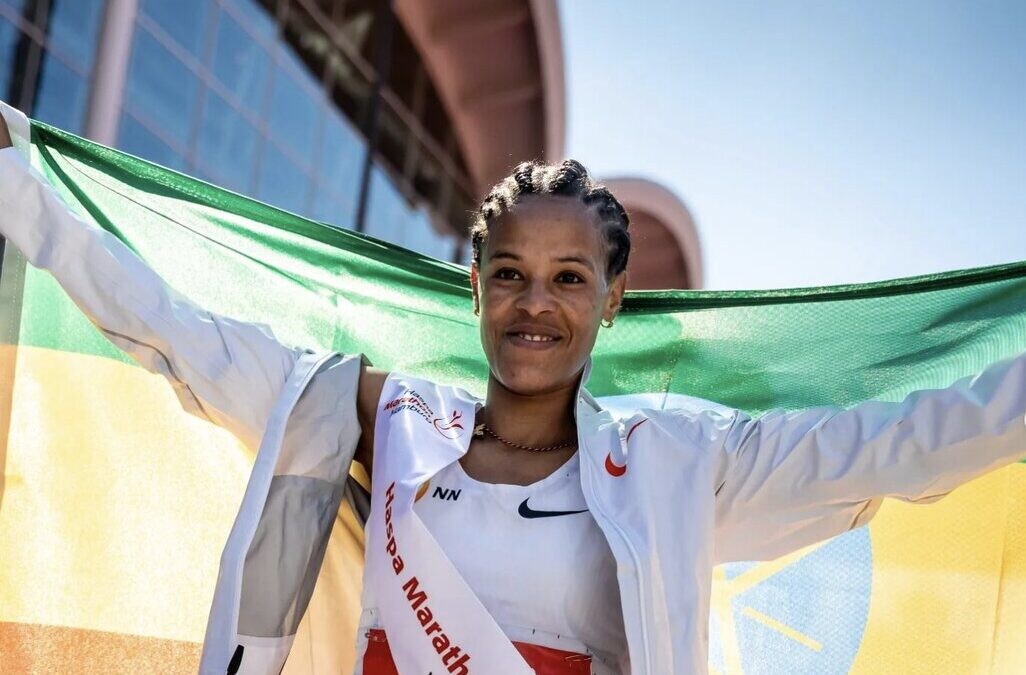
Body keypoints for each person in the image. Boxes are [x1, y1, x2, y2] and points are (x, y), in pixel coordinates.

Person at [1, 102, 1025, 675]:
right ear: (477, 287)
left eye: (570, 278)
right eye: (510, 274)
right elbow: (175, 333)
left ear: (613, 299)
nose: (536, 304)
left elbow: (905, 441)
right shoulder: (383, 419)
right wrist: (21, 195)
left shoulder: (676, 466)